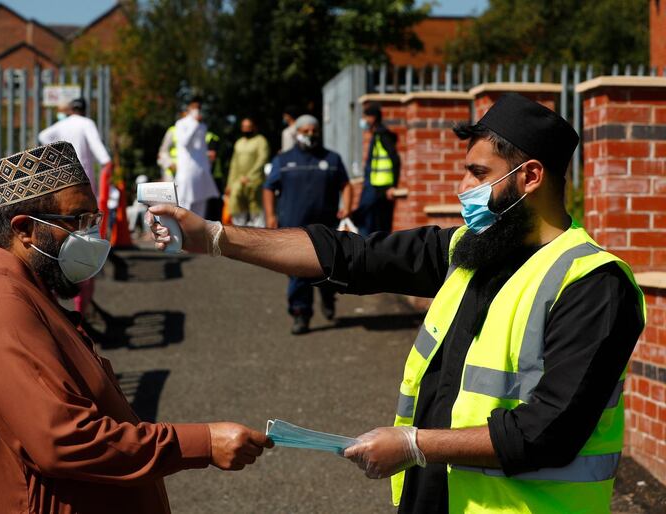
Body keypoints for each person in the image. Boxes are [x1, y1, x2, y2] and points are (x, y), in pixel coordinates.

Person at [146, 94, 646, 513]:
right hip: (434, 498)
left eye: (478, 173)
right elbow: (352, 255)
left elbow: (548, 432)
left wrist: (414, 444)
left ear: (530, 176)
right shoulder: (465, 250)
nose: (463, 187)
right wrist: (214, 237)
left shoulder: (593, 283)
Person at [0, 141, 272, 514]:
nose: (91, 237)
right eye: (78, 222)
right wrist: (202, 443)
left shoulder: (17, 292)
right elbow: (63, 439)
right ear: (24, 229)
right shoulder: (0, 310)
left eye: (93, 221)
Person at [263, 114, 353, 335]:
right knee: (298, 272)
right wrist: (270, 215)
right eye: (306, 131)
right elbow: (268, 188)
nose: (311, 134)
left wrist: (347, 207)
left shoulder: (332, 159)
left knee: (328, 269)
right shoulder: (283, 161)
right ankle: (300, 314)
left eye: (314, 131)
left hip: (326, 227)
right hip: (294, 228)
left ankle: (328, 296)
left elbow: (346, 184)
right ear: (297, 133)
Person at [38, 97, 113, 316]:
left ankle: (54, 303)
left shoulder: (61, 126)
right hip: (81, 193)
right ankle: (83, 304)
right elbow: (103, 156)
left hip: (59, 191)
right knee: (83, 244)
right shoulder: (86, 123)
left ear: (70, 110)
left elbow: (43, 137)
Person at [351, 103, 401, 235]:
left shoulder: (383, 136)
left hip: (381, 189)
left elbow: (395, 160)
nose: (363, 121)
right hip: (374, 186)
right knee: (367, 221)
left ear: (372, 118)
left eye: (365, 117)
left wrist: (393, 186)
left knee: (377, 226)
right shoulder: (377, 135)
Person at [173, 97, 220, 217]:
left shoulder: (203, 126)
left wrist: (207, 166)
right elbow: (184, 142)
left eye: (198, 108)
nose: (197, 110)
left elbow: (202, 148)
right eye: (194, 107)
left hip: (201, 171)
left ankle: (198, 234)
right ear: (188, 108)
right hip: (187, 171)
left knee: (201, 206)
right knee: (185, 204)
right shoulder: (181, 124)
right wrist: (194, 124)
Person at [226, 118, 270, 227]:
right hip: (238, 182)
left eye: (248, 126)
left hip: (254, 181)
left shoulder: (261, 140)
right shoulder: (239, 142)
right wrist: (229, 184)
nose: (246, 129)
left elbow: (262, 159)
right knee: (237, 210)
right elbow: (234, 164)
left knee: (256, 211)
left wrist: (249, 177)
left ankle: (260, 239)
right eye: (244, 127)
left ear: (254, 127)